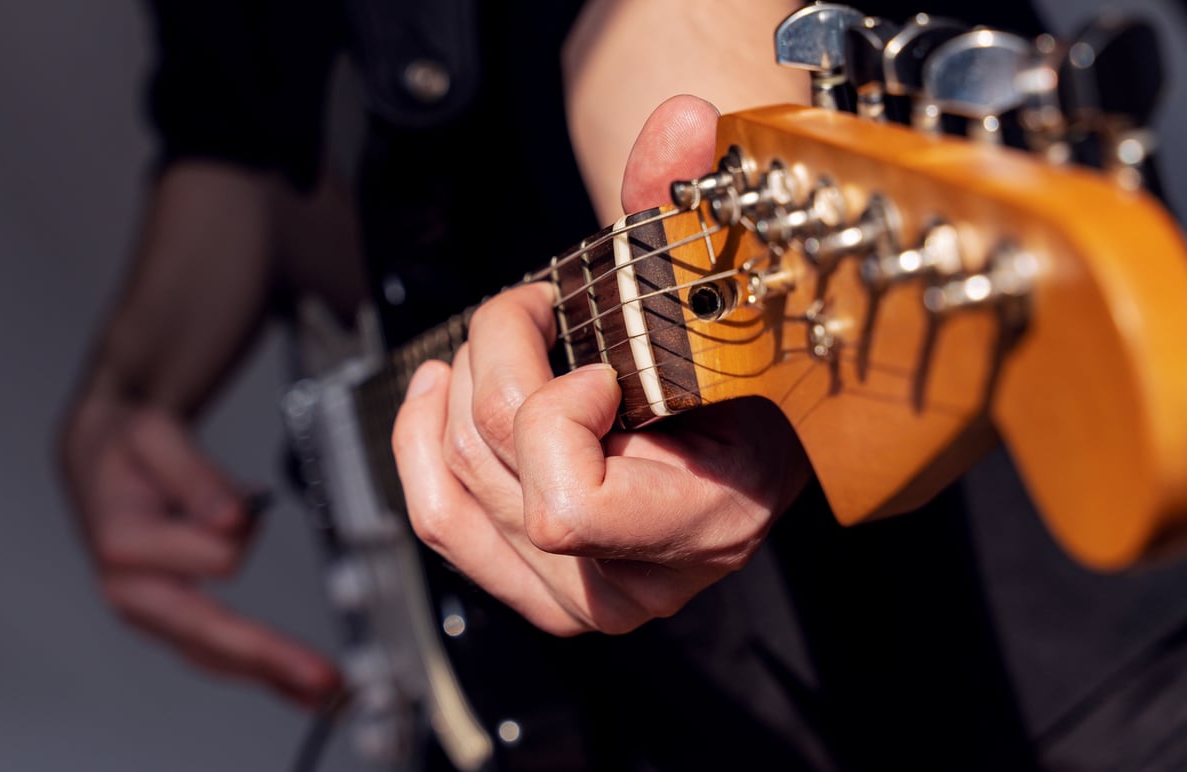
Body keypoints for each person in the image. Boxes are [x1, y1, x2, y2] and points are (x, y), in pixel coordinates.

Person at [57, 0, 1187, 769]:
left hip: (995, 657)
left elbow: (659, 21)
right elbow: (240, 129)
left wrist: (723, 270)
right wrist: (128, 395)